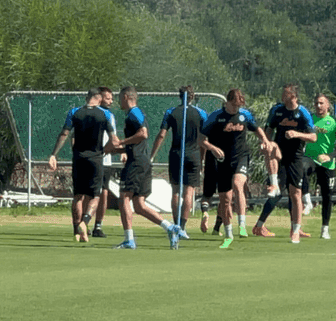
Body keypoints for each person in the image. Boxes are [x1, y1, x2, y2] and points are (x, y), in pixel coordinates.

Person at [110, 86, 186, 249]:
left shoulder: (134, 113)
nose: (118, 101)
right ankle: (170, 227)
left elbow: (143, 134)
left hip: (136, 163)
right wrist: (116, 149)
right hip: (141, 161)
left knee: (124, 197)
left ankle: (129, 239)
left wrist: (121, 142)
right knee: (139, 204)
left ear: (126, 97)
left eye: (119, 97)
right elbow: (137, 142)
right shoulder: (134, 114)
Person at [200, 88, 272, 248]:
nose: (236, 109)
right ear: (227, 102)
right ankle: (228, 234)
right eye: (233, 106)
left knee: (239, 184)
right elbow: (201, 139)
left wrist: (265, 140)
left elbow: (257, 129)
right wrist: (212, 147)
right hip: (223, 160)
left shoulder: (244, 115)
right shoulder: (216, 116)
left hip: (241, 157)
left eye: (238, 106)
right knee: (225, 199)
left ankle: (242, 224)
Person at [48, 88, 121, 243]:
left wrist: (54, 154)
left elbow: (64, 134)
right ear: (99, 98)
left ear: (87, 98)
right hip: (95, 159)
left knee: (78, 196)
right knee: (95, 196)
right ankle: (85, 222)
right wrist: (104, 151)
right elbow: (114, 140)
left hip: (78, 159)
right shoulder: (105, 114)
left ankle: (76, 231)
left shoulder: (74, 112)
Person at [254, 83, 317, 244]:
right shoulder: (277, 110)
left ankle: (295, 230)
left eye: (286, 93)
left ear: (294, 96)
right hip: (278, 154)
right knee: (277, 191)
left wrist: (296, 134)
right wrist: (265, 143)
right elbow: (268, 130)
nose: (283, 95)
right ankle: (274, 184)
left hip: (295, 157)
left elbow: (313, 137)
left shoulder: (303, 113)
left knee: (295, 194)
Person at [150, 86, 209, 234]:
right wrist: (202, 159)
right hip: (193, 155)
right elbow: (204, 140)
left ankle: (176, 225)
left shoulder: (171, 112)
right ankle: (182, 226)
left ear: (179, 96)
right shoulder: (201, 113)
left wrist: (152, 155)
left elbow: (162, 135)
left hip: (176, 154)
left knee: (176, 191)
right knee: (189, 192)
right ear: (192, 96)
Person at [304, 93, 336, 241]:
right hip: (310, 158)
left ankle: (325, 228)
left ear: (327, 105)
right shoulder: (309, 119)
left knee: (327, 196)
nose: (318, 106)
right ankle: (307, 201)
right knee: (301, 170)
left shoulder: (334, 122)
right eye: (316, 103)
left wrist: (330, 156)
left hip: (327, 162)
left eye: (321, 103)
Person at [91, 86, 118, 241]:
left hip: (105, 160)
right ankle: (83, 222)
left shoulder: (109, 115)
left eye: (111, 98)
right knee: (89, 192)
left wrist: (119, 151)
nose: (111, 101)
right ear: (100, 98)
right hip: (91, 158)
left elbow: (113, 137)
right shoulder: (89, 112)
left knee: (104, 192)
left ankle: (98, 225)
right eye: (108, 98)